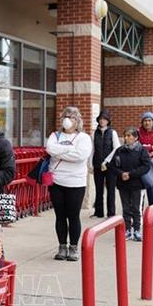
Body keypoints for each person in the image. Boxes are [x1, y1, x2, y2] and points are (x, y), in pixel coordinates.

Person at [46, 106, 92, 261]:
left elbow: (81, 156)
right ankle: (62, 246)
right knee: (60, 216)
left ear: (77, 120)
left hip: (76, 182)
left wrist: (60, 152)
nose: (68, 119)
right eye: (65, 116)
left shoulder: (83, 138)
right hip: (56, 181)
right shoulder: (55, 135)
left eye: (72, 117)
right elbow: (50, 149)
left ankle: (73, 247)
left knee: (73, 216)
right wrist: (68, 150)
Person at [108, 128, 151, 241]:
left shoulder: (141, 150)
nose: (126, 138)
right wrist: (121, 173)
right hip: (123, 184)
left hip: (136, 183)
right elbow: (112, 166)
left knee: (136, 208)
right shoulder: (119, 150)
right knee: (126, 208)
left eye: (129, 135)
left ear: (135, 137)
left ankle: (136, 229)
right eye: (125, 135)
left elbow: (146, 166)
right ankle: (127, 229)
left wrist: (131, 174)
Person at [91, 108, 120, 218]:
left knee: (111, 189)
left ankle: (111, 213)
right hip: (98, 165)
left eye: (104, 119)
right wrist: (90, 164)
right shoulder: (95, 133)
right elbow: (92, 150)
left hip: (110, 166)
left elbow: (116, 148)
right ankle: (98, 212)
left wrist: (106, 161)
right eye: (101, 119)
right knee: (98, 189)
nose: (102, 121)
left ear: (108, 121)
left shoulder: (113, 133)